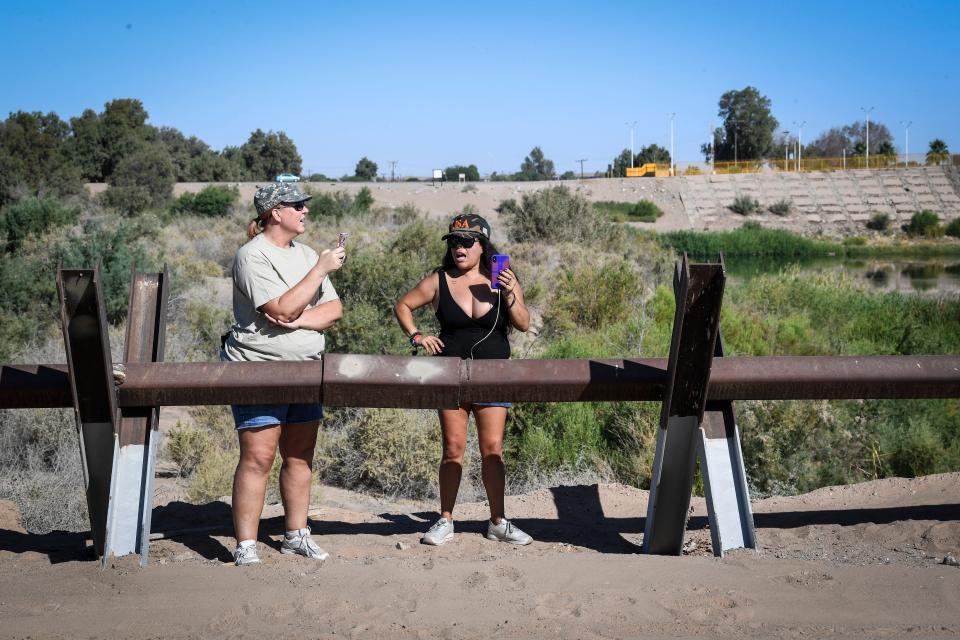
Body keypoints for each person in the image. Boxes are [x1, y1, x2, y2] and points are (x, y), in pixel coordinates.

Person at [221, 182, 345, 565]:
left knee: (300, 456)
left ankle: (296, 534)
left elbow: (333, 310)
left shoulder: (306, 253)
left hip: (306, 370)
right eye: (297, 205)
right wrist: (320, 270)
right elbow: (280, 306)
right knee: (258, 457)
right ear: (275, 212)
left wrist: (296, 320)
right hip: (258, 370)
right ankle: (246, 544)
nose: (305, 211)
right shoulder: (252, 256)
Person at [394, 213, 532, 546]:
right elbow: (403, 305)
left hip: (493, 376)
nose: (460, 248)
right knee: (452, 450)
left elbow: (524, 323)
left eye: (468, 242)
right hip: (450, 376)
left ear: (483, 246)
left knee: (492, 450)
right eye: (454, 242)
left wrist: (511, 293)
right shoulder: (439, 279)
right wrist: (417, 336)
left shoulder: (501, 277)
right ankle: (445, 520)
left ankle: (498, 521)